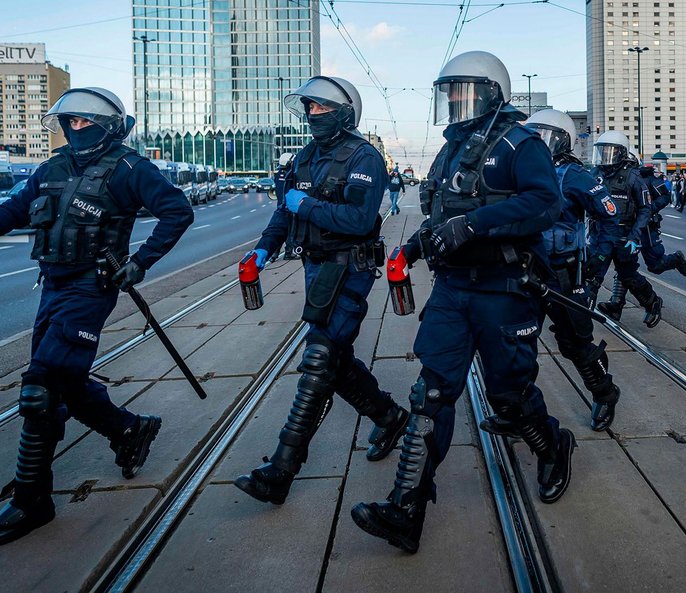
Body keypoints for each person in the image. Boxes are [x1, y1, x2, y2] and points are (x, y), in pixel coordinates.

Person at [351, 51, 575, 554]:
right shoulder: (450, 149)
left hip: (505, 288)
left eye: (462, 90)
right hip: (454, 289)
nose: (454, 99)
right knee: (430, 394)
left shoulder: (522, 143)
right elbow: (441, 212)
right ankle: (405, 509)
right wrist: (410, 249)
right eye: (448, 91)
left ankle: (553, 445)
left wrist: (475, 225)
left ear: (492, 91)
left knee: (509, 396)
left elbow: (545, 203)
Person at [0, 87, 194, 544]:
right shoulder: (51, 167)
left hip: (92, 286)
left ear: (106, 125)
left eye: (85, 121)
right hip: (52, 285)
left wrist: (141, 261)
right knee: (63, 380)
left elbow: (177, 211)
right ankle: (130, 429)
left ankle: (32, 501)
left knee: (40, 388)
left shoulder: (130, 168)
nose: (75, 128)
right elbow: (12, 210)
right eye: (70, 122)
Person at [234, 76, 409, 505]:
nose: (312, 115)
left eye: (321, 108)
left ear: (344, 113)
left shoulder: (363, 157)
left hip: (350, 268)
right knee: (336, 359)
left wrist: (305, 205)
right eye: (308, 108)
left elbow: (360, 220)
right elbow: (284, 213)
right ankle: (388, 417)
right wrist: (261, 252)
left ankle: (281, 469)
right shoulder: (305, 157)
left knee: (318, 359)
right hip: (315, 269)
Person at [520, 108, 621, 431]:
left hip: (563, 274)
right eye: (533, 136)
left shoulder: (574, 176)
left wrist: (594, 267)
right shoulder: (521, 173)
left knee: (574, 343)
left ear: (562, 142)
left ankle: (605, 393)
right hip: (526, 273)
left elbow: (609, 218)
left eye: (545, 137)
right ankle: (520, 411)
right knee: (517, 342)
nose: (538, 144)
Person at [586, 131, 664, 326]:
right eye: (602, 151)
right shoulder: (594, 174)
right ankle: (580, 320)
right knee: (592, 274)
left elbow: (645, 209)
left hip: (624, 236)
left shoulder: (633, 177)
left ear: (621, 153)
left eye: (610, 152)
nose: (605, 157)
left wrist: (634, 237)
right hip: (600, 235)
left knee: (629, 276)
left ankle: (653, 302)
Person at [273, 152, 299, 260]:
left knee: (279, 230)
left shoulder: (278, 174)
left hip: (280, 205)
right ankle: (289, 252)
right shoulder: (292, 174)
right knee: (290, 231)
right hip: (290, 207)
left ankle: (275, 253)